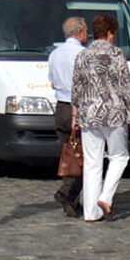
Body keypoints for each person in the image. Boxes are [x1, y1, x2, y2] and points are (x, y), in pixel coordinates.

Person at [72, 13, 130, 223]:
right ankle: (106, 197)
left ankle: (91, 213)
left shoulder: (82, 55)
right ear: (110, 33)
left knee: (92, 163)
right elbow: (125, 85)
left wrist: (75, 114)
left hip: (89, 113)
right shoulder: (117, 54)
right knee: (120, 156)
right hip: (114, 112)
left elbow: (76, 89)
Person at [46, 16, 88, 218]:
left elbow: (52, 82)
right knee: (83, 156)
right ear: (79, 33)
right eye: (86, 31)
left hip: (60, 106)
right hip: (77, 107)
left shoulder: (55, 54)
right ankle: (66, 193)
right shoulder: (82, 53)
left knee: (68, 154)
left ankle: (71, 201)